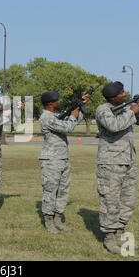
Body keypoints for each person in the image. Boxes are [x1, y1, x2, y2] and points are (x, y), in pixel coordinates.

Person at [96, 81, 139, 254]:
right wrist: (132, 111)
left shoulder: (127, 109)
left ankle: (120, 234)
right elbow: (114, 126)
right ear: (112, 97)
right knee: (110, 202)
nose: (125, 94)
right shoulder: (103, 110)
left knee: (128, 201)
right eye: (121, 92)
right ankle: (109, 238)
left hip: (129, 161)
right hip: (110, 163)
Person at [39, 90, 90, 234]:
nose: (59, 102)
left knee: (63, 191)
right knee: (50, 191)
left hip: (62, 158)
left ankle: (58, 219)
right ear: (50, 103)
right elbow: (68, 127)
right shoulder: (46, 118)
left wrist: (79, 108)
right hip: (51, 160)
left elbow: (70, 122)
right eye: (57, 100)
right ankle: (49, 221)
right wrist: (73, 115)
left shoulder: (55, 116)